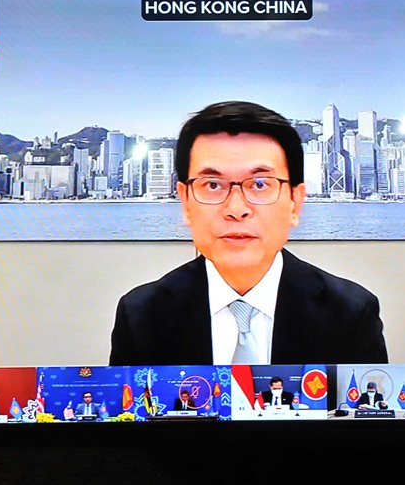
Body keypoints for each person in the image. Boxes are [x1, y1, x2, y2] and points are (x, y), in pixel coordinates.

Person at [110, 101, 388, 365]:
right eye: (213, 185)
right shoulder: (141, 315)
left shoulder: (351, 313)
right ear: (185, 203)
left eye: (259, 184)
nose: (236, 209)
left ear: (295, 202)